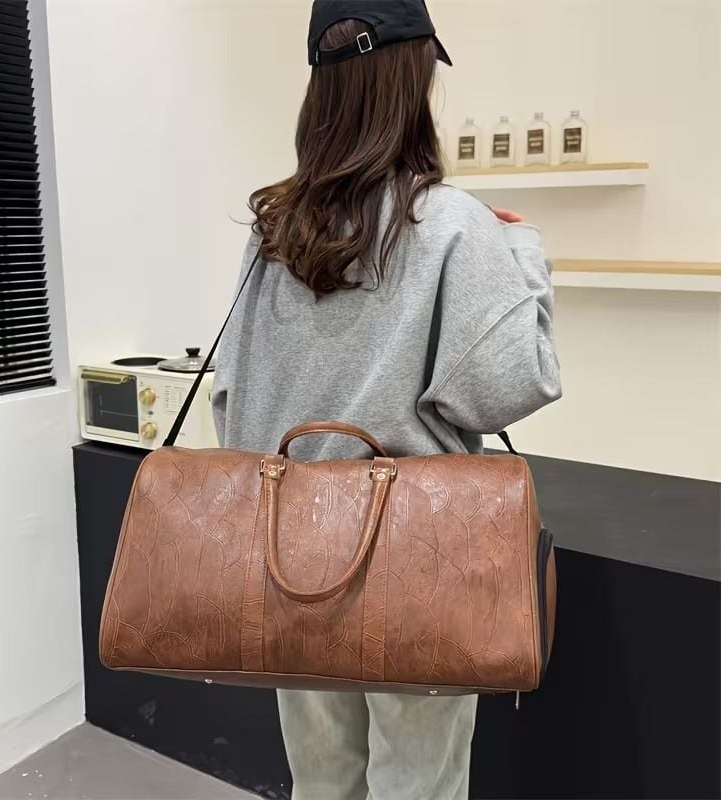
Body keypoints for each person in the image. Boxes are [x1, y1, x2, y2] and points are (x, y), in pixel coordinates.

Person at [211, 1, 562, 798]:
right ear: (412, 80)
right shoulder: (452, 225)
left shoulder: (275, 232)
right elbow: (512, 384)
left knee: (321, 780)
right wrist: (524, 255)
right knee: (419, 785)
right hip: (418, 565)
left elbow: (233, 399)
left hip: (290, 561)